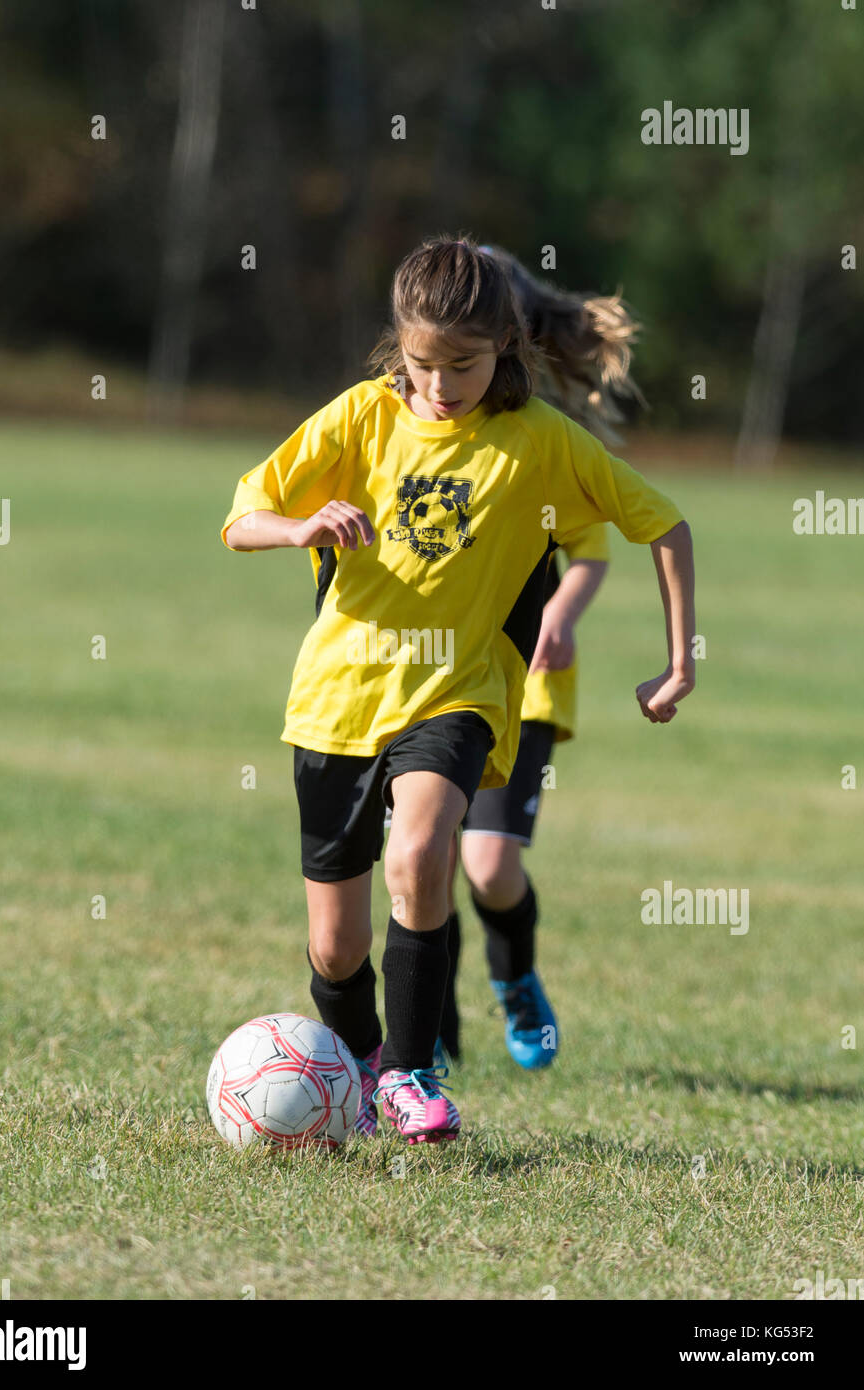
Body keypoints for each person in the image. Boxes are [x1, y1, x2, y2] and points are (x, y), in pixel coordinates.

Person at [220, 234, 696, 1144]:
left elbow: (662, 523)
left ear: (506, 349)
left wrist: (678, 663)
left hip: (458, 695)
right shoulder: (360, 417)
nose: (440, 386)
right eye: (422, 364)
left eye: (464, 366)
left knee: (425, 848)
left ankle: (408, 1069)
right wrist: (298, 526)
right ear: (397, 347)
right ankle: (361, 1065)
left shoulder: (540, 442)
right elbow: (241, 515)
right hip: (336, 700)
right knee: (334, 949)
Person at [438, 246, 642, 1070]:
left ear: (512, 339)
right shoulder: (419, 423)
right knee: (421, 862)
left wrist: (559, 614)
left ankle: (515, 975)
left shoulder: (547, 442)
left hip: (523, 685)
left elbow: (589, 550)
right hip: (428, 677)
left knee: (486, 867)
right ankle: (429, 1034)